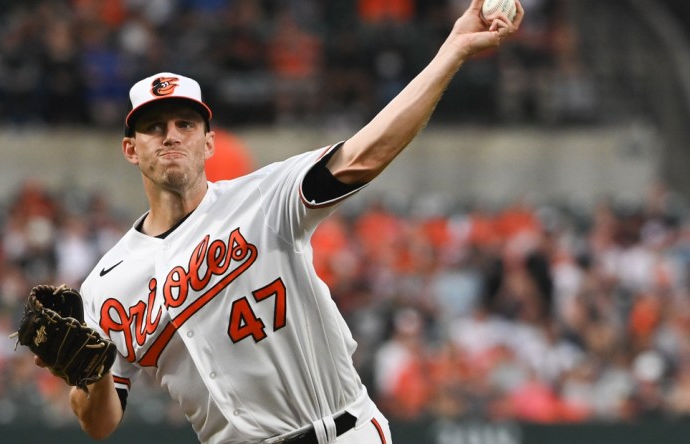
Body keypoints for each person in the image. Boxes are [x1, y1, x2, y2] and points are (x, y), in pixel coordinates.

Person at [33, 1, 523, 442]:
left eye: (186, 124)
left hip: (339, 431)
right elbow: (99, 423)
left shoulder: (264, 199)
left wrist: (453, 50)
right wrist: (91, 378)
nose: (171, 136)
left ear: (209, 143)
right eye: (154, 127)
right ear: (130, 150)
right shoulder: (105, 286)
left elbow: (365, 153)